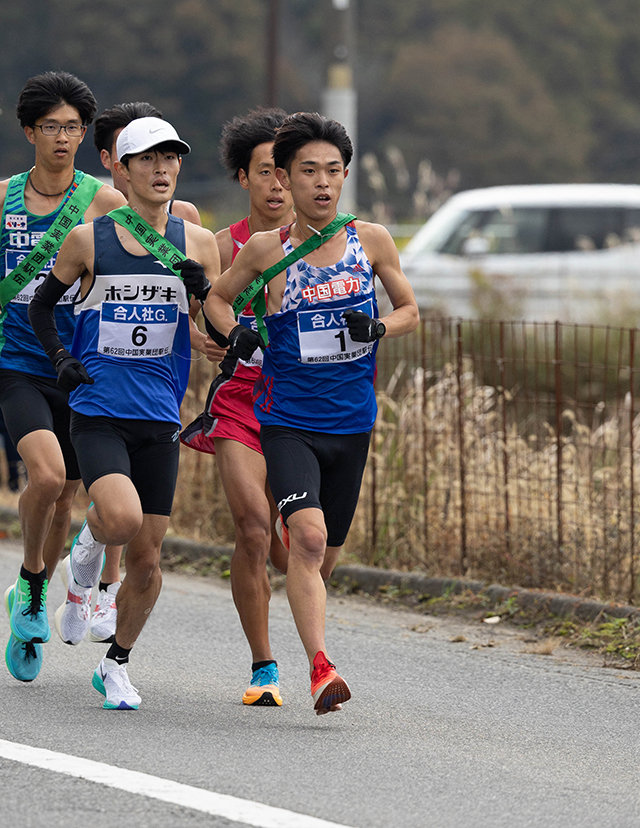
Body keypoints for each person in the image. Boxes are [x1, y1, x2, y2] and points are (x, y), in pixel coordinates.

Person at [205, 112, 419, 714]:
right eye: (308, 172)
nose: (322, 183)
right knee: (308, 534)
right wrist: (239, 337)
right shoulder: (266, 249)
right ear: (288, 180)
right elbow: (218, 302)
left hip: (353, 423)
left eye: (332, 171)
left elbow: (410, 311)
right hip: (287, 419)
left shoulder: (370, 240)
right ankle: (320, 668)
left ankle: (309, 637)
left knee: (321, 557)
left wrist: (377, 326)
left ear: (345, 176)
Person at [29, 115, 220, 709]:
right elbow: (41, 305)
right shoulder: (91, 239)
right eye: (147, 160)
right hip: (99, 408)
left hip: (160, 415)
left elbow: (213, 331)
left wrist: (202, 295)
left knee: (148, 561)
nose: (161, 170)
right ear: (122, 167)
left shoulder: (200, 243)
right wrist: (60, 357)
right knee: (122, 517)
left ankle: (116, 665)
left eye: (171, 159)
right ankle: (85, 555)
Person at [0, 71, 125, 683]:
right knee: (46, 477)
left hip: (76, 366)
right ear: (29, 131)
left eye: (73, 127)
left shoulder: (102, 200)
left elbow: (145, 245)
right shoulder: (2, 198)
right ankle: (28, 587)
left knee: (68, 495)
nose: (63, 137)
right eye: (51, 126)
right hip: (15, 362)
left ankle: (37, 583)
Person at [181, 108, 294, 707]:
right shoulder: (222, 248)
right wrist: (201, 335)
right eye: (266, 172)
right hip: (239, 404)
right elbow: (194, 313)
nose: (278, 185)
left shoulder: (324, 245)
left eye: (287, 173)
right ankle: (264, 667)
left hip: (302, 407)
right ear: (243, 179)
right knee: (252, 530)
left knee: (292, 549)